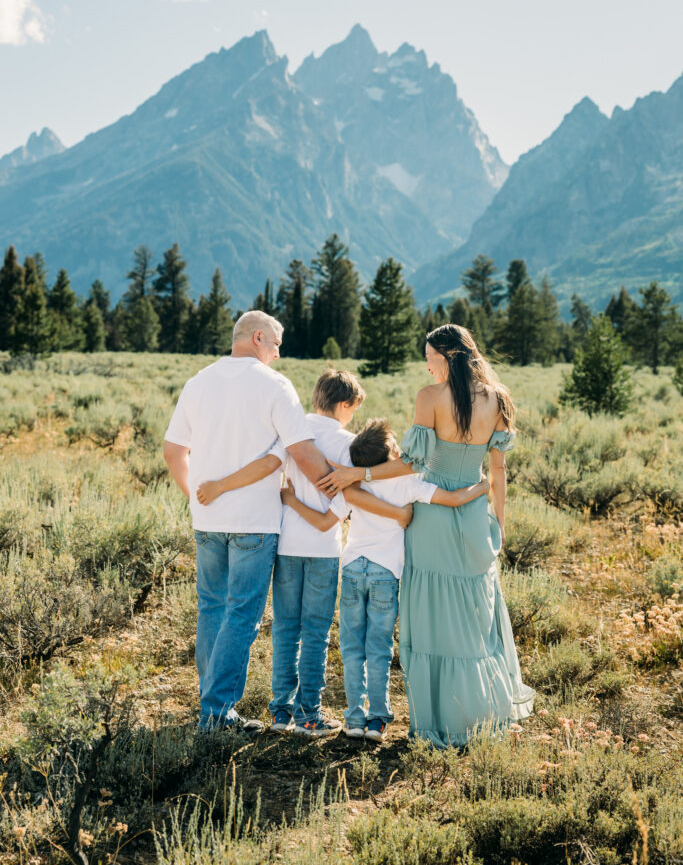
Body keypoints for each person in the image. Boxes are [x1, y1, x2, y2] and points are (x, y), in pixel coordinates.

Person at [318, 324, 535, 747]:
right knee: (476, 616)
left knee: (434, 621)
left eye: (430, 356)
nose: (426, 364)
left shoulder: (430, 398)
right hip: (473, 516)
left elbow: (411, 464)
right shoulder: (499, 398)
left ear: (448, 356)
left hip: (432, 518)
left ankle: (443, 717)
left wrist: (358, 473)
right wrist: (500, 524)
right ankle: (484, 715)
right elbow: (498, 471)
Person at [192, 367, 411, 738]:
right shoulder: (349, 444)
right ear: (345, 404)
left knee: (285, 629)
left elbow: (271, 470)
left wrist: (284, 498)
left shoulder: (292, 431)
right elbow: (344, 503)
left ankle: (280, 712)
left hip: (286, 545)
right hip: (324, 551)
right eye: (353, 408)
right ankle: (309, 714)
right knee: (316, 633)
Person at [163, 310, 333, 733]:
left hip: (208, 520)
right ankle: (217, 715)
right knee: (242, 614)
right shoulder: (275, 386)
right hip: (255, 523)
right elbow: (305, 454)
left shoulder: (197, 382)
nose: (278, 352)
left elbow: (172, 452)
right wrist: (344, 488)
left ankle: (211, 707)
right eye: (276, 344)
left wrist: (197, 500)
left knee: (212, 608)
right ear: (258, 338)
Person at [297, 417, 488, 742]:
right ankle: (377, 720)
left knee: (353, 648)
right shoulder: (409, 482)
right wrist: (484, 485)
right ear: (391, 454)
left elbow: (328, 515)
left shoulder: (352, 487)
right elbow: (454, 499)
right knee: (380, 649)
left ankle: (355, 720)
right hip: (386, 572)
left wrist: (291, 496)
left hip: (354, 568)